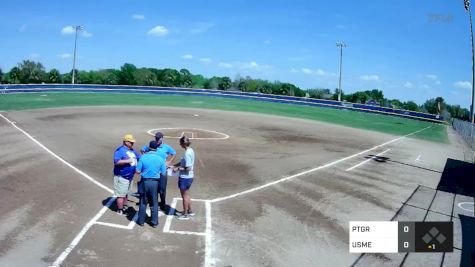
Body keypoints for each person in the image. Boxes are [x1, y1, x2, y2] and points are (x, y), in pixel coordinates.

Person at [135, 141, 166, 227]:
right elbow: (163, 173)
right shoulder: (160, 159)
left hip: (144, 182)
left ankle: (141, 221)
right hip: (154, 183)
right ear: (157, 148)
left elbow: (137, 171)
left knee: (143, 202)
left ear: (149, 147)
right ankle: (154, 222)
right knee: (154, 202)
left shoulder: (143, 157)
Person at [113, 134, 140, 216]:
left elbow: (139, 158)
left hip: (130, 177)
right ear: (125, 142)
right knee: (121, 194)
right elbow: (116, 162)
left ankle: (124, 206)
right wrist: (127, 161)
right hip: (121, 176)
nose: (132, 143)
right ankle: (120, 210)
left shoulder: (132, 150)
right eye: (131, 142)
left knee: (126, 193)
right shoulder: (119, 151)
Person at [174, 136, 195, 220]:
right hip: (188, 177)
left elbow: (188, 168)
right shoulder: (190, 150)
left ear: (183, 143)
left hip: (185, 177)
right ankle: (189, 210)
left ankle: (185, 214)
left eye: (180, 143)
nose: (180, 144)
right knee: (186, 194)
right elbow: (184, 163)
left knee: (184, 196)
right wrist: (175, 165)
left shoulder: (187, 153)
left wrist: (177, 168)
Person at [154, 132, 176, 211]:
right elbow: (143, 149)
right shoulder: (152, 145)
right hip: (154, 171)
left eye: (158, 138)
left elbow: (174, 153)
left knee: (162, 189)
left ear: (162, 138)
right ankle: (155, 203)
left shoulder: (166, 147)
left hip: (163, 172)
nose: (157, 139)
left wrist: (169, 162)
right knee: (155, 188)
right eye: (156, 138)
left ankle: (162, 203)